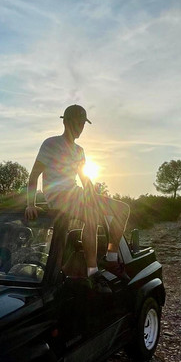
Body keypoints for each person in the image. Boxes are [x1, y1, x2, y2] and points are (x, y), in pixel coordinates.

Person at [24, 104, 130, 289]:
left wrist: (96, 197)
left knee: (122, 209)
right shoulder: (51, 144)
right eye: (78, 122)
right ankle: (93, 272)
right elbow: (34, 176)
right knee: (91, 215)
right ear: (66, 122)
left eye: (83, 124)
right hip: (58, 196)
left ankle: (111, 259)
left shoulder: (79, 150)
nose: (81, 127)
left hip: (76, 193)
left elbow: (84, 179)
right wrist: (30, 204)